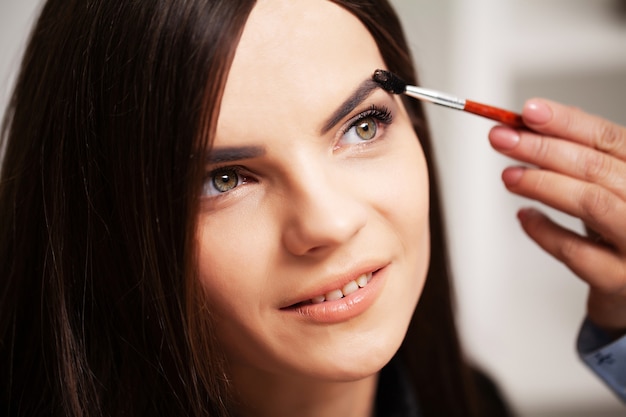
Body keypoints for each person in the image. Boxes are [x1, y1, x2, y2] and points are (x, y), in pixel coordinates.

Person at [0, 0, 624, 416]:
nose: (327, 223)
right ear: (102, 227)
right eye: (224, 179)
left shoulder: (468, 401)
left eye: (361, 126)